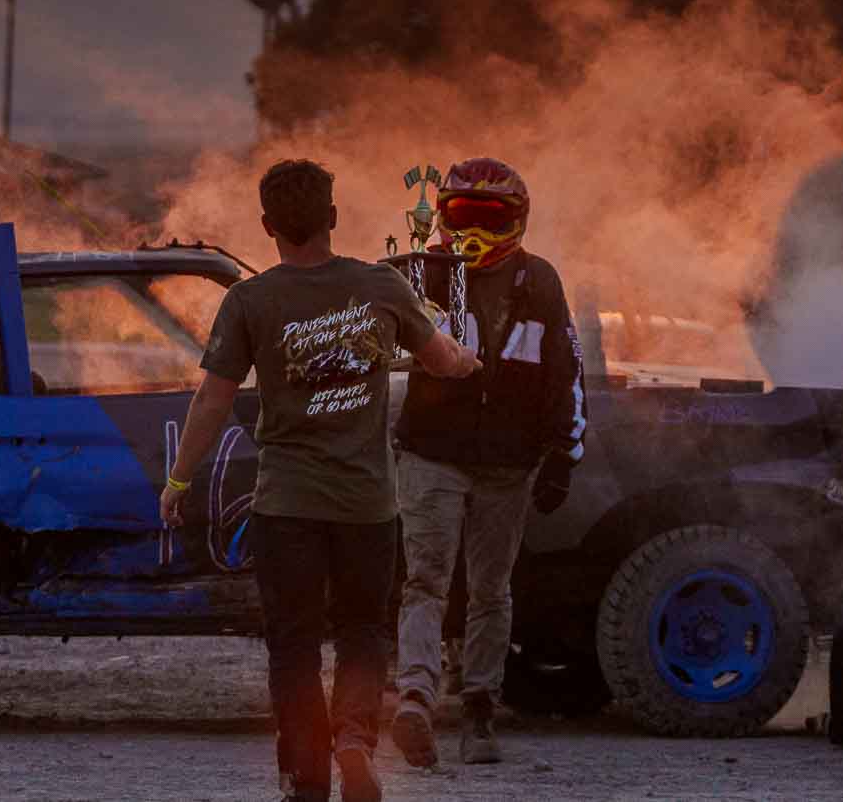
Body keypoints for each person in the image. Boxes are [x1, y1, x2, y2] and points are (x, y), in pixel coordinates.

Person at [160, 159, 477, 802]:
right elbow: (441, 359)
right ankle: (355, 742)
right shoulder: (382, 285)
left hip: (287, 507)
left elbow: (212, 402)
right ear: (332, 218)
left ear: (268, 225)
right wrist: (469, 362)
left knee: (294, 645)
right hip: (367, 505)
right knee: (363, 631)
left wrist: (179, 481)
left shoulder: (249, 300)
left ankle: (306, 776)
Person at [390, 157, 585, 768]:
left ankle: (479, 710)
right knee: (424, 579)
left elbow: (567, 373)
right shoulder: (421, 275)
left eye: (487, 217)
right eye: (460, 215)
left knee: (490, 590)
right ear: (442, 217)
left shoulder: (542, 282)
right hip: (430, 451)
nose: (471, 230)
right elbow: (377, 356)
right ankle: (416, 699)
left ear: (517, 221)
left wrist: (564, 453)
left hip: (510, 462)